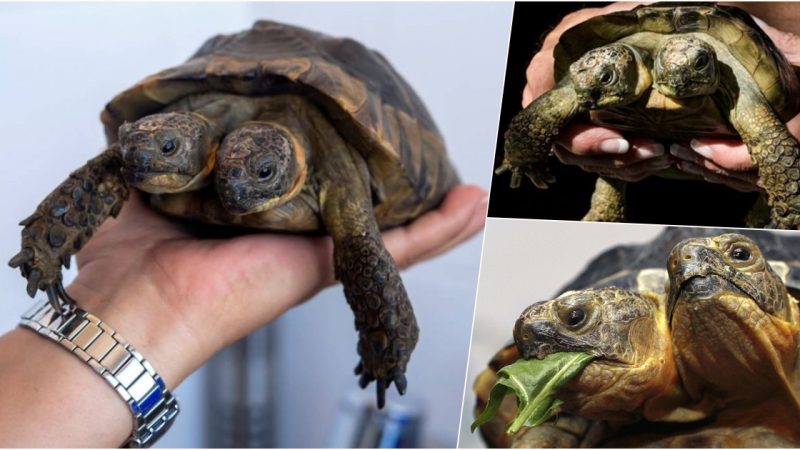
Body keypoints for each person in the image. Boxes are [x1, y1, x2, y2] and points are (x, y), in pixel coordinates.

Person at [0, 186, 487, 447]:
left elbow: (369, 263)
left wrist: (386, 345)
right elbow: (115, 163)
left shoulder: (335, 175)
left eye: (258, 173)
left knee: (365, 253)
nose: (235, 183)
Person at [521, 2, 800, 193]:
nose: (680, 78)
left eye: (698, 64)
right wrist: (525, 151)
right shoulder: (603, 65)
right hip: (585, 177)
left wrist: (787, 195)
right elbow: (541, 115)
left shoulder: (735, 81)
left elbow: (773, 145)